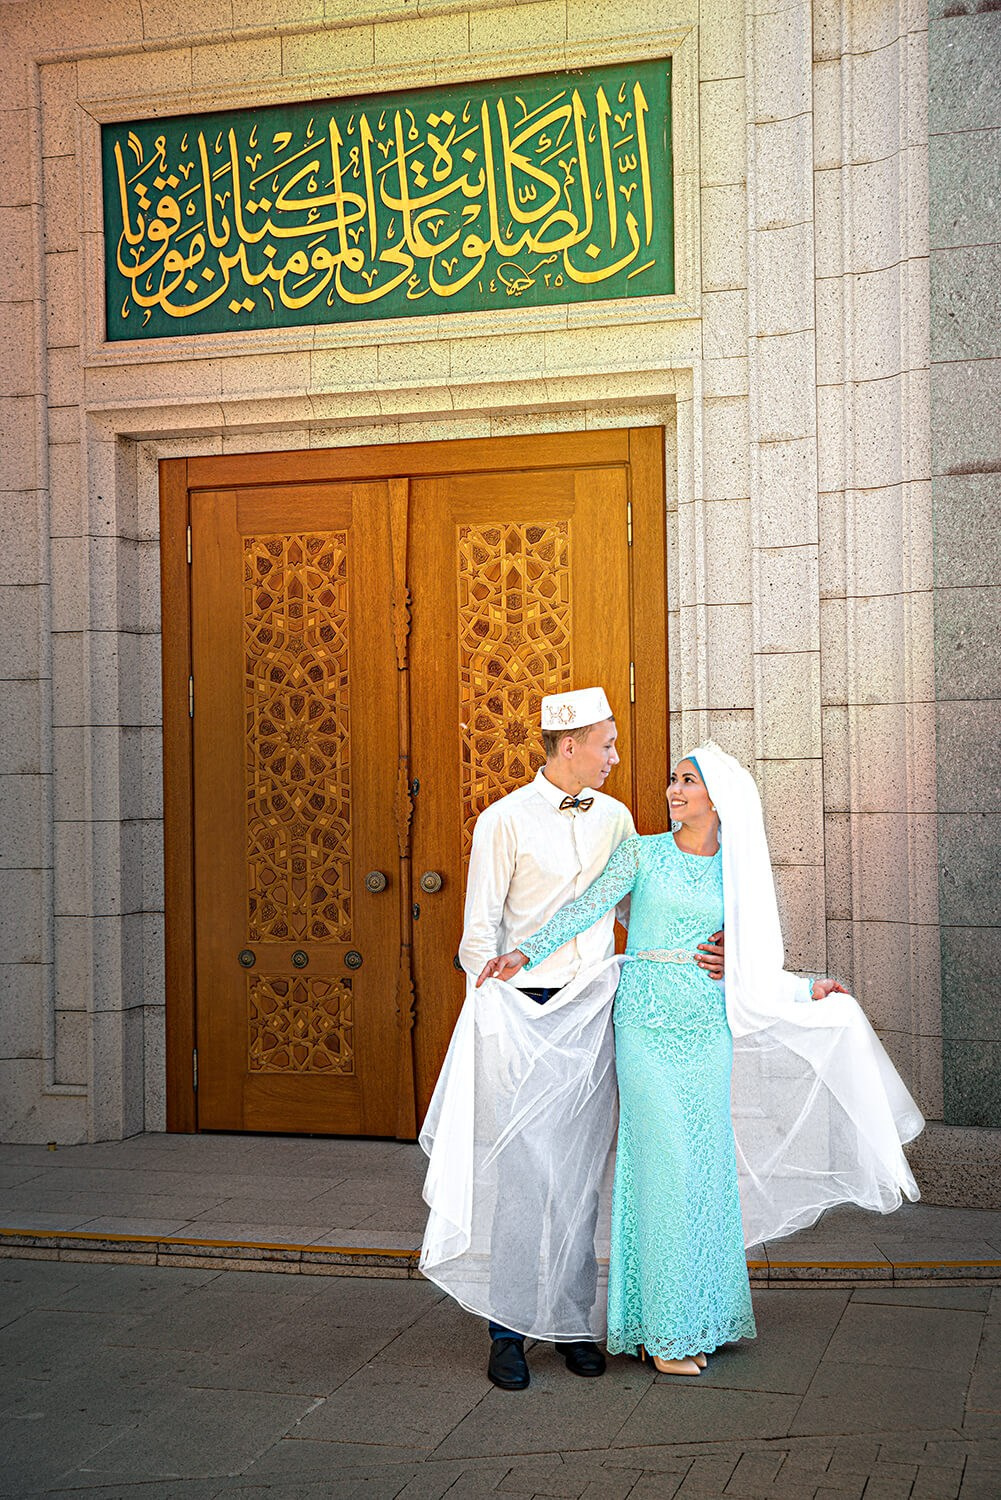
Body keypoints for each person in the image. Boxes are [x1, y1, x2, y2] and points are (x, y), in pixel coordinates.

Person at [482, 742, 923, 1374]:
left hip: (706, 1030)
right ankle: (665, 1332)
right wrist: (523, 954)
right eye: (673, 779)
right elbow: (584, 909)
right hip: (645, 1026)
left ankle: (698, 1315)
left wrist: (804, 986)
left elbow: (753, 961)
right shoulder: (642, 852)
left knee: (704, 1171)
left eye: (687, 781)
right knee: (662, 1171)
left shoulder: (738, 872)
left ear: (719, 798)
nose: (674, 790)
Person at [418, 689, 725, 1392]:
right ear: (568, 745)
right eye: (606, 744)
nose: (615, 757)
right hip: (526, 1010)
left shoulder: (617, 819)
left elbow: (638, 908)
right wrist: (494, 1015)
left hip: (602, 1009)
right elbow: (477, 932)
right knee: (525, 1174)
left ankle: (571, 1323)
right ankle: (507, 1331)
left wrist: (717, 947)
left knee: (582, 1174)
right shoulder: (502, 820)